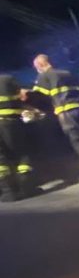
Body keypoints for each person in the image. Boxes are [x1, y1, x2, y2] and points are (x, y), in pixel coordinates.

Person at [0, 73, 35, 201]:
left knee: (1, 159)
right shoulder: (7, 79)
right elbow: (23, 96)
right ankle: (28, 187)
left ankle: (8, 192)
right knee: (22, 152)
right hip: (12, 122)